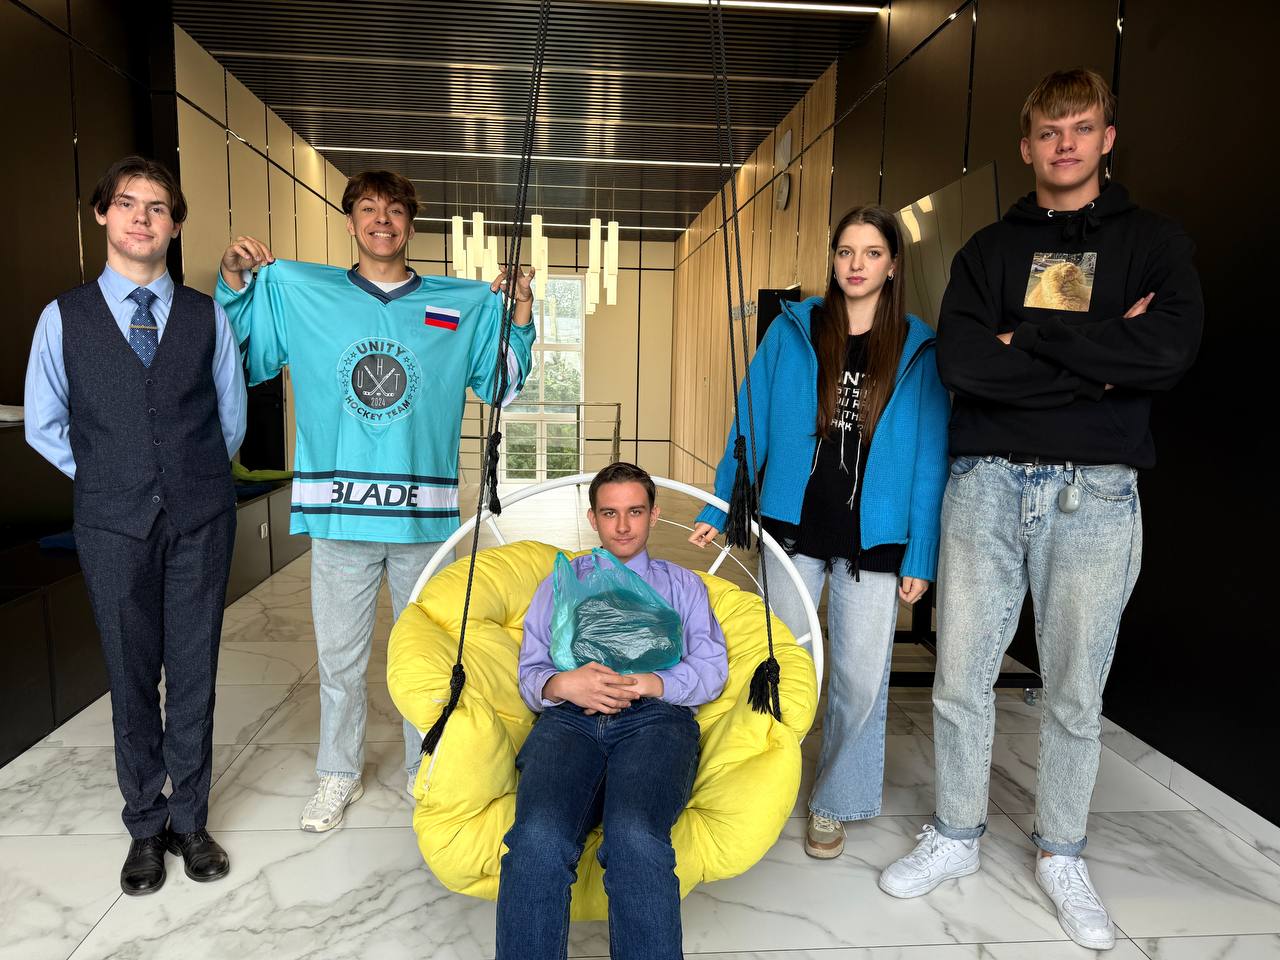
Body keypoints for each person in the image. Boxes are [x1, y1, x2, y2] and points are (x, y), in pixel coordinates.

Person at [877, 68, 1202, 951]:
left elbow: (1166, 352)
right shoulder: (987, 251)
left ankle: (1061, 853)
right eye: (1050, 132)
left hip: (1096, 494)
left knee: (1074, 691)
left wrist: (1031, 340)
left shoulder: (1155, 243)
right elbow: (964, 365)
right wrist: (1101, 358)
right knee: (959, 678)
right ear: (1026, 147)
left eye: (1082, 128)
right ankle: (955, 833)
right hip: (985, 484)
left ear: (1106, 139)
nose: (1065, 144)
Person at [215, 170, 535, 832]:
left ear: (411, 224)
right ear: (351, 221)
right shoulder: (306, 293)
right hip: (341, 517)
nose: (381, 219)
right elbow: (244, 355)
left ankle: (428, 762)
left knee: (433, 656)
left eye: (394, 210)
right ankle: (338, 773)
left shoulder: (457, 303)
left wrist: (521, 314)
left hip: (425, 522)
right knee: (340, 659)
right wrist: (236, 283)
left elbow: (500, 386)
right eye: (368, 208)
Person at [688, 206, 950, 860]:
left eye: (872, 252)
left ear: (893, 265)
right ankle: (765, 786)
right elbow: (748, 420)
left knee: (859, 680)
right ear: (833, 260)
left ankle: (834, 799)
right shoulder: (793, 330)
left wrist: (922, 552)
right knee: (781, 663)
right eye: (845, 252)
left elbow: (929, 458)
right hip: (792, 529)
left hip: (875, 541)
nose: (857, 264)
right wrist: (721, 506)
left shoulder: (918, 348)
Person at [24, 155, 247, 895]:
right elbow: (45, 424)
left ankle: (191, 819)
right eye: (127, 204)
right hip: (110, 523)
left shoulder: (208, 316)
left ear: (174, 225)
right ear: (102, 215)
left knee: (195, 670)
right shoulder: (63, 317)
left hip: (200, 518)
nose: (142, 218)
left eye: (157, 207)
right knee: (129, 673)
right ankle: (145, 825)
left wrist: (187, 478)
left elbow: (230, 420)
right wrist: (109, 480)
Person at [498, 461, 728, 960]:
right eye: (609, 513)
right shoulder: (562, 583)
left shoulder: (682, 586)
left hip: (656, 722)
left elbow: (711, 670)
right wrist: (564, 683)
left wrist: (651, 682)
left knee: (635, 838)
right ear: (592, 518)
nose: (623, 526)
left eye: (635, 512)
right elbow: (531, 672)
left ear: (654, 515)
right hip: (569, 722)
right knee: (537, 839)